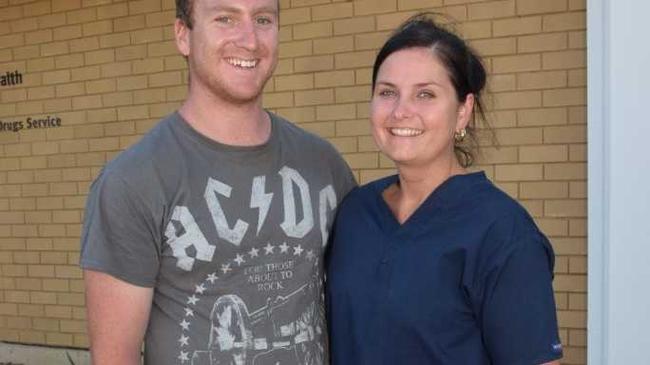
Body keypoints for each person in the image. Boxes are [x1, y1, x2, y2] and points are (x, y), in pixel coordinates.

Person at [79, 0, 355, 364]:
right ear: (183, 35)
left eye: (262, 19)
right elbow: (116, 355)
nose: (250, 39)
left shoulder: (324, 166)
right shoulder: (132, 182)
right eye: (225, 18)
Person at [326, 13, 563, 365]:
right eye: (387, 92)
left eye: (425, 94)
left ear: (463, 112)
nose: (401, 111)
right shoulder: (355, 212)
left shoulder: (502, 232)